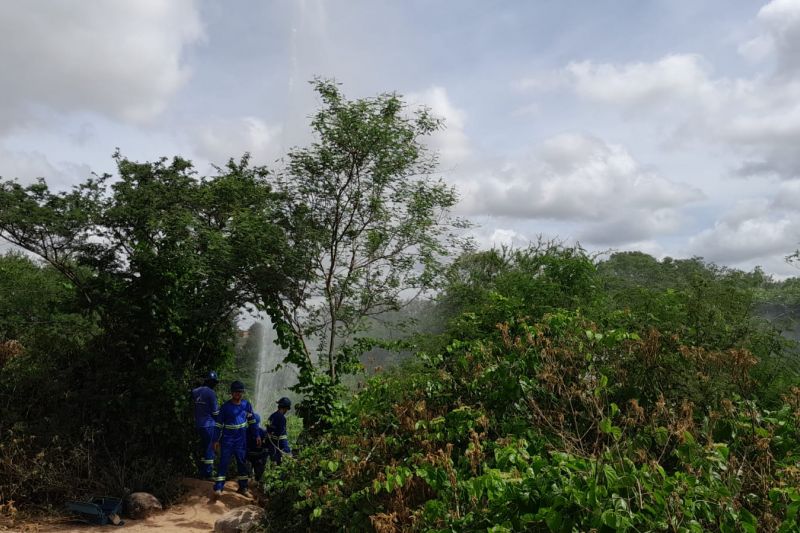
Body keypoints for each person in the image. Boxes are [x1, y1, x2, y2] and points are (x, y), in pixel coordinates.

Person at [212, 380, 259, 497]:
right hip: (227, 440)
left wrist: (257, 435)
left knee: (242, 463)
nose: (238, 394)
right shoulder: (225, 407)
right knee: (223, 462)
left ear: (242, 392)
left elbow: (252, 422)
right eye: (236, 391)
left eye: (240, 391)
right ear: (232, 393)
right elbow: (218, 425)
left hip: (240, 440)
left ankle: (243, 488)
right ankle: (218, 488)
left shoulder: (246, 405)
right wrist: (215, 440)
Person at [191, 370, 219, 480]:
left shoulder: (195, 391)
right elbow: (215, 413)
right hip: (209, 425)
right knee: (210, 448)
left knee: (204, 447)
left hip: (198, 424)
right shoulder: (211, 393)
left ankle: (201, 471)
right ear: (213, 382)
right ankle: (207, 474)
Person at [266, 397, 292, 465]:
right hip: (279, 445)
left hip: (272, 446)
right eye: (287, 409)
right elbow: (282, 436)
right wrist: (286, 450)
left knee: (274, 463)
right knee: (281, 464)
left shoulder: (272, 416)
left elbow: (268, 430)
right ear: (285, 408)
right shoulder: (282, 418)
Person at [247, 412, 269, 482]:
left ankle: (250, 478)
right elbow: (266, 443)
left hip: (248, 455)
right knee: (259, 475)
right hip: (259, 456)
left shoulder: (245, 431)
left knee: (247, 473)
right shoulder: (262, 431)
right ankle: (257, 481)